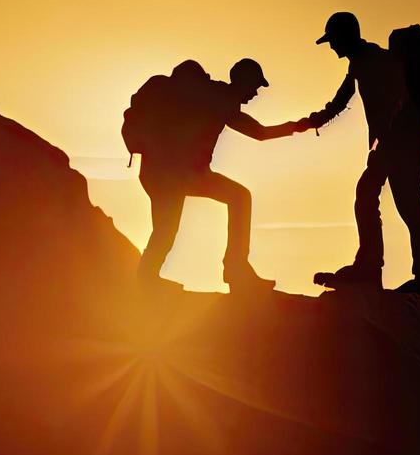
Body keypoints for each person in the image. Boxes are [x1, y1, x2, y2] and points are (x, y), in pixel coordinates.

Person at [129, 58, 309, 293]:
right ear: (243, 81)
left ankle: (148, 278)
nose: (255, 94)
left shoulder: (214, 97)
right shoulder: (221, 100)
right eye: (254, 87)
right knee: (238, 198)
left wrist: (294, 127)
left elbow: (258, 132)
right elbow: (259, 133)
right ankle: (235, 269)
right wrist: (296, 126)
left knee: (166, 228)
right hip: (175, 174)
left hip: (161, 171)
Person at [307, 11, 420, 298]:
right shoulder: (360, 62)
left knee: (409, 207)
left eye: (333, 40)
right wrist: (317, 119)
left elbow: (402, 98)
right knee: (370, 195)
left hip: (402, 144)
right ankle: (369, 269)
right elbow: (343, 96)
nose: (331, 47)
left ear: (346, 36)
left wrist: (389, 136)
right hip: (391, 144)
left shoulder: (377, 60)